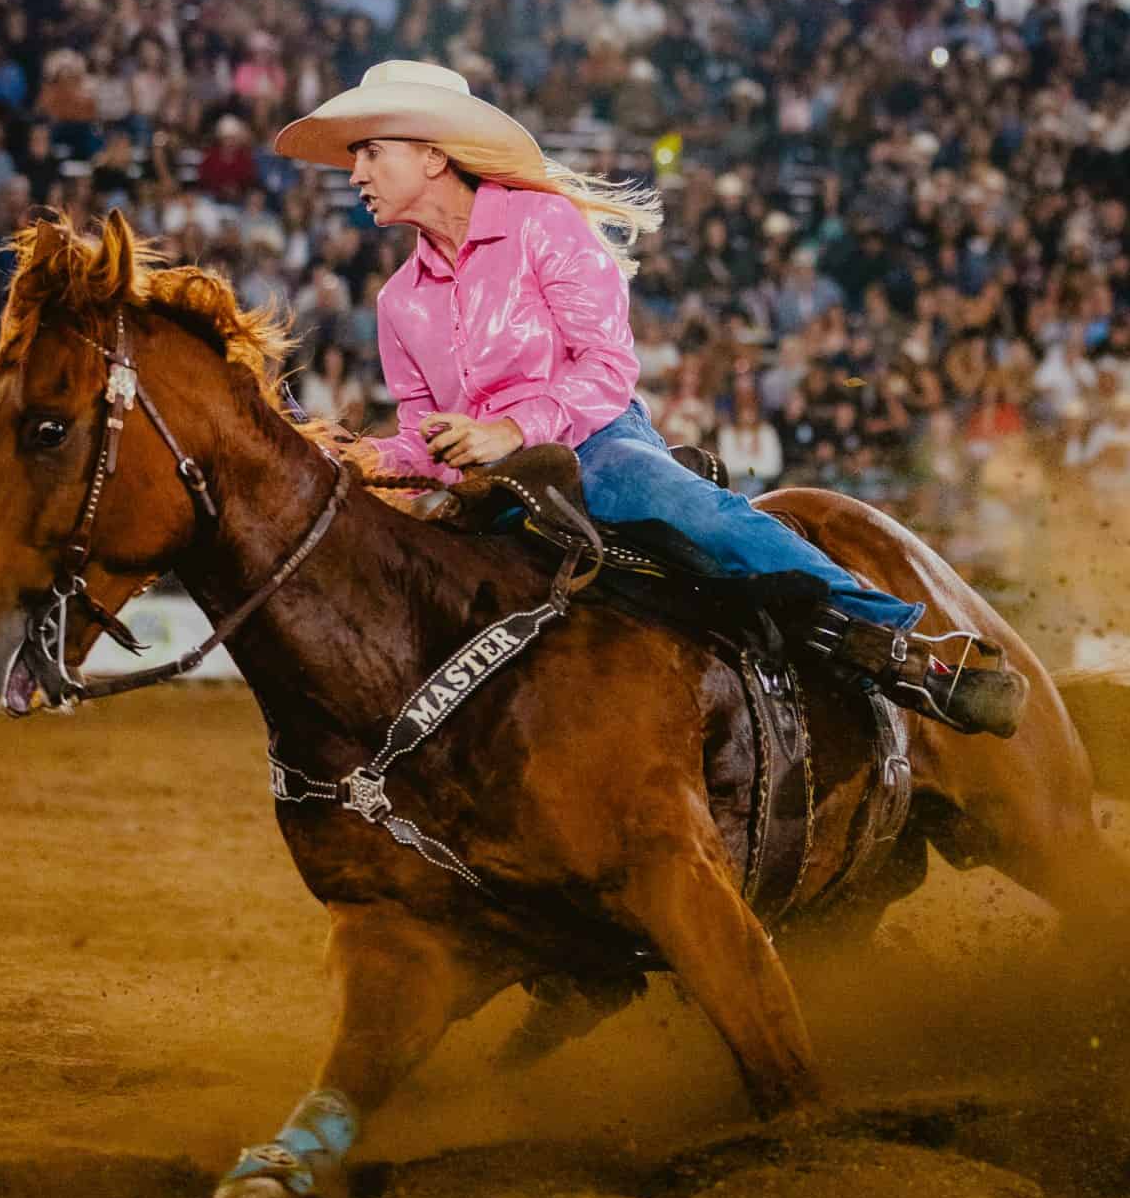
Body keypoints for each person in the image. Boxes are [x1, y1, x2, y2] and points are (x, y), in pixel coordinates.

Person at [275, 61, 1023, 734]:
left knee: (698, 512)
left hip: (593, 444)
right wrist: (357, 460)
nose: (355, 173)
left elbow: (606, 368)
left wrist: (512, 430)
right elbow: (421, 436)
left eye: (370, 152)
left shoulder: (542, 225)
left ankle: (899, 643)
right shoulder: (398, 301)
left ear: (433, 156)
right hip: (491, 488)